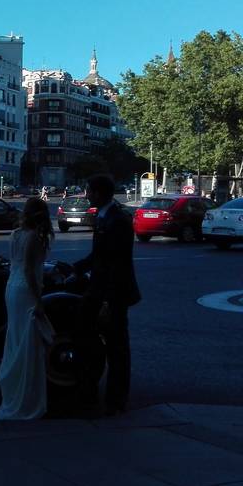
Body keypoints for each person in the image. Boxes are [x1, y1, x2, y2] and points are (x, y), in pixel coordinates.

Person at [73, 174, 141, 415]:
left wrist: (106, 300)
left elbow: (116, 263)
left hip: (112, 293)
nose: (86, 194)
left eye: (88, 191)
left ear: (99, 193)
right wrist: (75, 268)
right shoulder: (105, 217)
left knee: (117, 347)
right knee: (91, 338)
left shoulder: (118, 221)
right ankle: (91, 390)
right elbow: (98, 257)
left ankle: (115, 398)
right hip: (101, 290)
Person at [0, 197, 55, 420]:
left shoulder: (15, 233)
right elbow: (29, 270)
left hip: (11, 288)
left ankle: (13, 390)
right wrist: (39, 300)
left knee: (16, 338)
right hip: (25, 291)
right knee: (28, 344)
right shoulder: (33, 237)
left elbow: (17, 264)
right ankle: (26, 396)